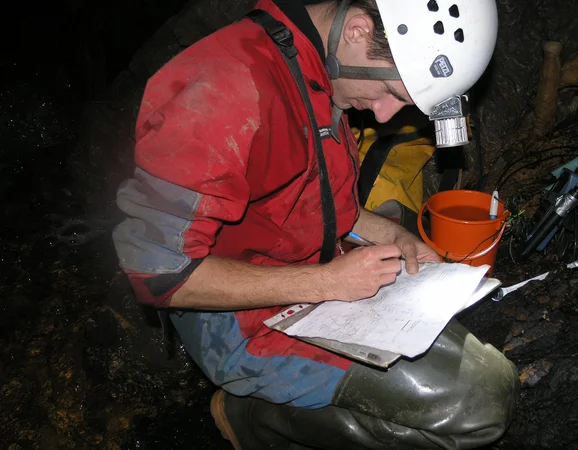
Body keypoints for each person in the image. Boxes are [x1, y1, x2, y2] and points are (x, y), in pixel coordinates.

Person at [112, 0, 519, 448]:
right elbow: (160, 275)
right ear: (359, 31)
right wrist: (326, 283)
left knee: (494, 378)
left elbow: (309, 196)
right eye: (392, 93)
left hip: (313, 269)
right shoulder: (226, 89)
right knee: (477, 410)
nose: (384, 115)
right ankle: (255, 420)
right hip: (236, 320)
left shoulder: (312, 66)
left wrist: (393, 235)